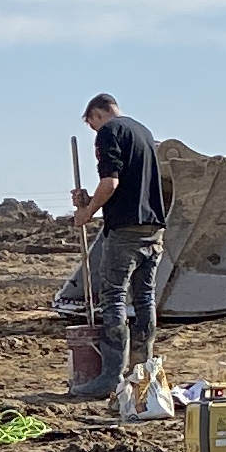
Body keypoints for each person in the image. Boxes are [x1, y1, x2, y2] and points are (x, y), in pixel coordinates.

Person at [66, 94, 164, 401]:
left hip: (126, 231)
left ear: (96, 115)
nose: (95, 134)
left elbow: (110, 183)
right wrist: (89, 201)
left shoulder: (110, 132)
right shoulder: (143, 131)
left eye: (93, 126)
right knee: (145, 297)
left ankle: (110, 376)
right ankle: (143, 369)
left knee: (114, 298)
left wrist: (87, 212)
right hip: (153, 228)